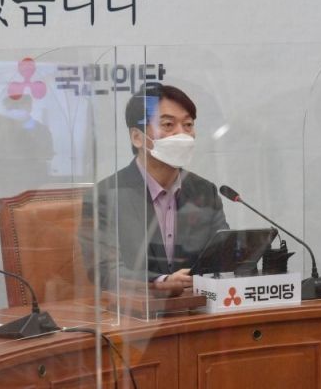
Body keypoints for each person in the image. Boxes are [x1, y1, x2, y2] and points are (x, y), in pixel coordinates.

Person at [81, 85, 228, 295]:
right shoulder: (106, 196)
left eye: (188, 125)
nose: (182, 134)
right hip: (135, 309)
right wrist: (161, 281)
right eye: (168, 124)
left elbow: (222, 254)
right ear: (137, 137)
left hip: (195, 307)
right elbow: (104, 270)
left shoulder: (204, 191)